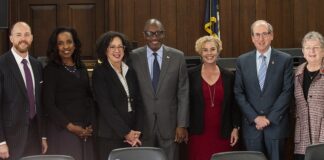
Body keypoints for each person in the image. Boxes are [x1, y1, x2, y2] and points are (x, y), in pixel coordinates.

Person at [129, 18, 189, 160]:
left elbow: (183, 93)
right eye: (150, 33)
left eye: (158, 33)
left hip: (170, 126)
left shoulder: (177, 57)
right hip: (142, 126)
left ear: (164, 34)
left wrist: (182, 124)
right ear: (144, 35)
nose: (154, 37)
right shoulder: (133, 57)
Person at [234, 20, 294, 160]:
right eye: (257, 35)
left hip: (275, 126)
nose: (261, 39)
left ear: (271, 35)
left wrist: (269, 118)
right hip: (252, 127)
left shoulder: (285, 60)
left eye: (265, 34)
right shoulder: (242, 61)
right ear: (252, 38)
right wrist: (255, 118)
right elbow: (238, 92)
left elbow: (287, 91)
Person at [43, 27, 95, 160]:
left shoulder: (81, 66)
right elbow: (49, 105)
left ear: (75, 44)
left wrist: (89, 126)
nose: (66, 46)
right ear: (55, 47)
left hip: (84, 131)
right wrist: (72, 128)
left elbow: (88, 97)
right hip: (63, 131)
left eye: (69, 42)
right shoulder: (51, 69)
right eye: (60, 43)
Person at [92, 31, 143, 160]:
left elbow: (138, 102)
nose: (117, 50)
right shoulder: (100, 72)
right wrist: (126, 133)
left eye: (120, 46)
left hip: (131, 135)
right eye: (112, 47)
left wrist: (135, 132)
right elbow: (106, 107)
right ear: (105, 50)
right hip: (110, 136)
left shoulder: (130, 71)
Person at [188, 36, 241, 160]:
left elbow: (235, 105)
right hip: (197, 132)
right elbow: (185, 102)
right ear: (200, 53)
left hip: (223, 132)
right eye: (205, 50)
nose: (209, 53)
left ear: (218, 51)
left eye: (212, 49)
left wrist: (235, 128)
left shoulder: (229, 75)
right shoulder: (190, 75)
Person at [0, 21, 47, 159]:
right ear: (11, 38)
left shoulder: (37, 64)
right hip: (11, 139)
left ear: (31, 37)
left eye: (26, 35)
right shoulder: (2, 64)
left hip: (35, 136)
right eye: (18, 35)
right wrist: (1, 141)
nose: (23, 39)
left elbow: (40, 102)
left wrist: (43, 136)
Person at [294, 31, 324, 160]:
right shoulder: (297, 74)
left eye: (316, 47)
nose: (312, 51)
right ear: (303, 51)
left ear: (323, 51)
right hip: (302, 139)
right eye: (308, 48)